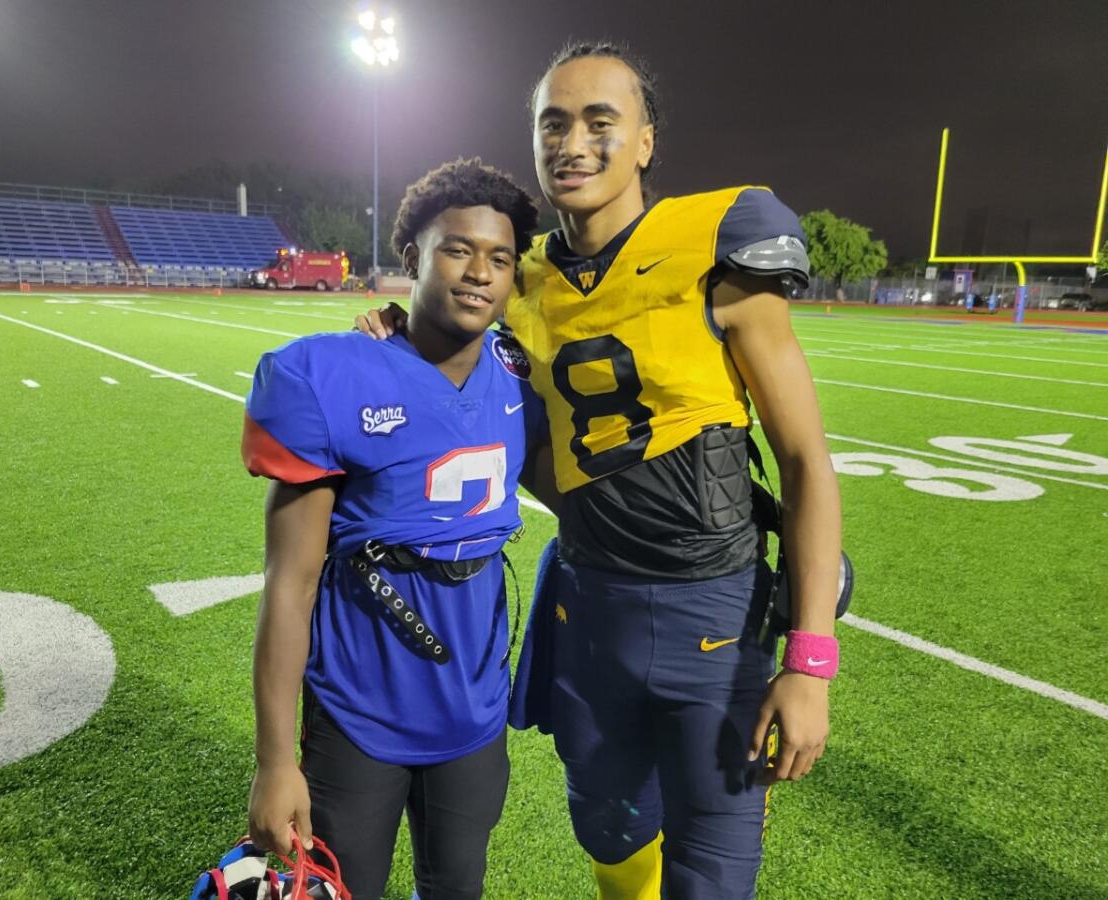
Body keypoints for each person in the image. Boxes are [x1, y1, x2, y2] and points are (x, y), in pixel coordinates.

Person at [359, 42, 842, 900]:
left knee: (714, 870)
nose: (571, 141)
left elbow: (805, 459)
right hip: (589, 606)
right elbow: (498, 412)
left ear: (646, 141)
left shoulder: (718, 241)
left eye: (598, 120)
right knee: (608, 836)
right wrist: (398, 334)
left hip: (714, 607)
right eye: (553, 122)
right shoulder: (525, 275)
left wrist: (808, 663)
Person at [243, 158, 550, 900]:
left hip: (474, 714)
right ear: (411, 259)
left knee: (458, 887)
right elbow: (292, 582)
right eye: (457, 248)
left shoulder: (524, 381)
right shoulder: (332, 376)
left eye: (499, 257)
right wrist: (274, 758)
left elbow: (593, 510)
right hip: (357, 714)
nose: (479, 271)